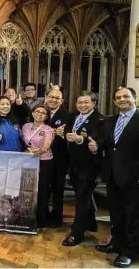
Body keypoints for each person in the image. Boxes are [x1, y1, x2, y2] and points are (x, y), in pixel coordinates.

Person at [89, 87, 139, 267]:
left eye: (126, 96)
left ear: (135, 98)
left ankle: (130, 252)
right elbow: (106, 143)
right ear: (114, 102)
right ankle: (117, 244)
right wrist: (97, 147)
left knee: (133, 216)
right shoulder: (109, 121)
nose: (122, 99)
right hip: (112, 176)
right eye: (118, 97)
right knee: (116, 214)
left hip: (134, 178)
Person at [61, 91, 104, 246]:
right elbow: (67, 130)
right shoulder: (73, 116)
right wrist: (64, 134)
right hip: (74, 164)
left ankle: (76, 233)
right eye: (80, 102)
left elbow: (99, 140)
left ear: (94, 103)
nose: (83, 105)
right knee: (82, 196)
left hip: (90, 166)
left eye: (86, 102)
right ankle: (91, 224)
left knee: (82, 198)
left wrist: (81, 140)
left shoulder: (100, 120)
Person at [21, 104, 55, 228]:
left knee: (41, 190)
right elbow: (22, 141)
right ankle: (26, 217)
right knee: (27, 190)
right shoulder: (25, 126)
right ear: (33, 112)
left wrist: (41, 150)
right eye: (37, 111)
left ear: (46, 116)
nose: (39, 114)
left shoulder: (48, 129)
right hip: (27, 161)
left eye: (43, 113)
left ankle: (41, 221)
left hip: (43, 162)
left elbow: (47, 144)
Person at [45, 86, 72, 227]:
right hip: (40, 158)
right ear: (46, 98)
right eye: (51, 97)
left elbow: (70, 137)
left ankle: (56, 217)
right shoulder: (40, 112)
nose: (53, 100)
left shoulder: (67, 116)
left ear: (61, 101)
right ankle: (42, 215)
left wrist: (61, 134)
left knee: (57, 188)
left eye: (57, 98)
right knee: (43, 188)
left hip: (59, 158)